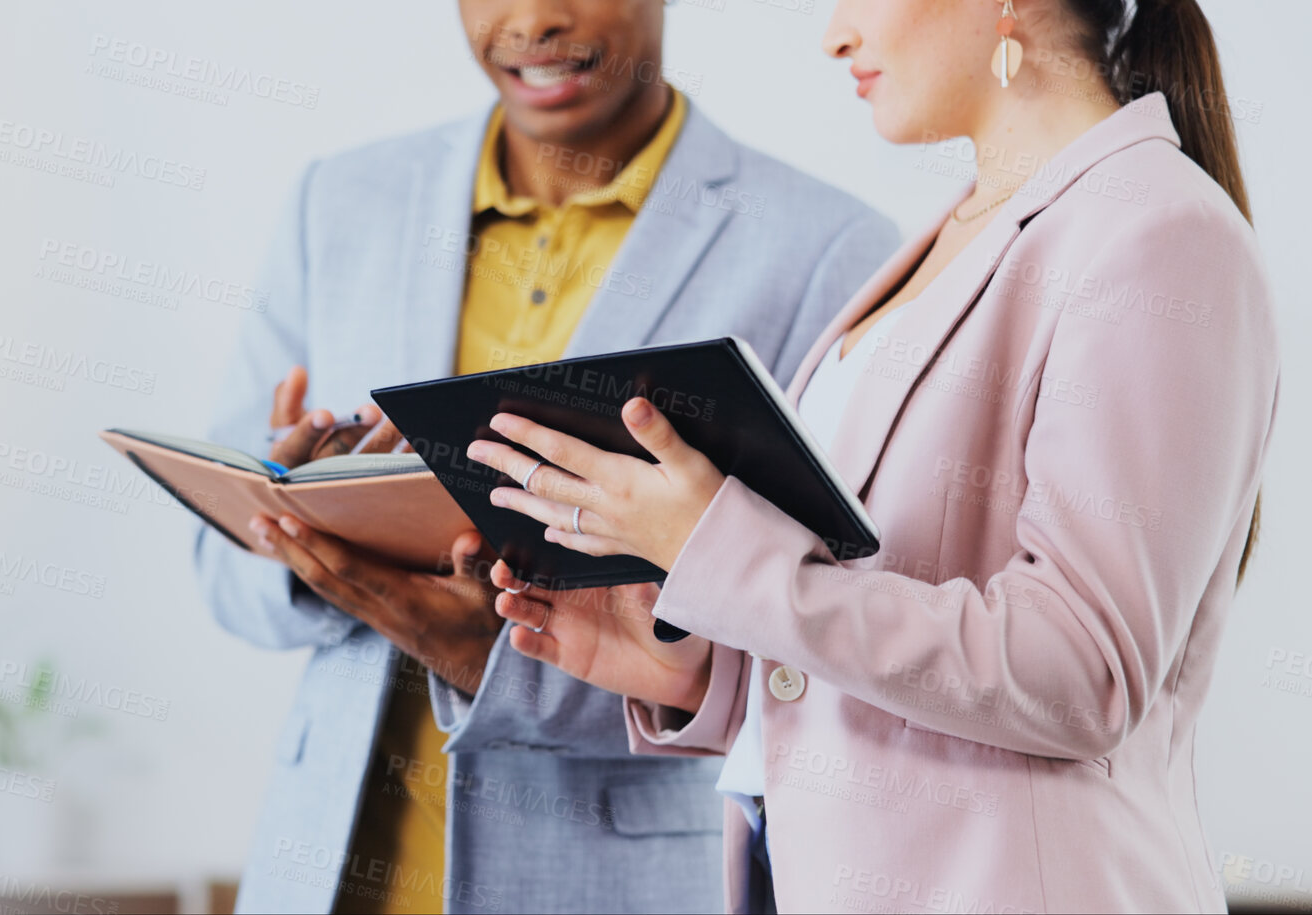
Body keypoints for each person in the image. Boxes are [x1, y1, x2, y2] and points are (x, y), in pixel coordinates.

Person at [468, 0, 1274, 911]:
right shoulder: (955, 232)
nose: (833, 36)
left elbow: (1079, 671)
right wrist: (699, 666)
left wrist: (727, 555)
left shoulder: (1156, 233)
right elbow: (886, 629)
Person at [196, 0, 900, 910]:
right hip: (327, 874)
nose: (531, 19)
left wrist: (500, 662)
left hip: (616, 881)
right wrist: (298, 530)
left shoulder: (826, 251)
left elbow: (822, 653)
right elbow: (215, 566)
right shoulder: (339, 202)